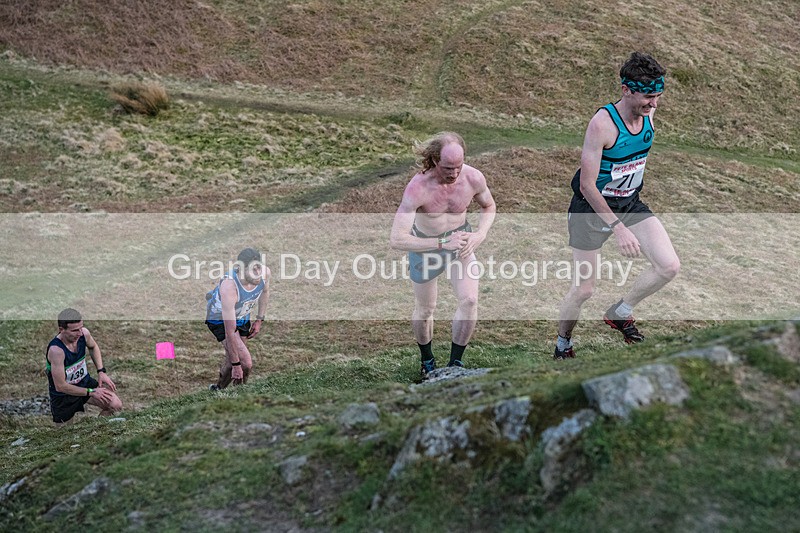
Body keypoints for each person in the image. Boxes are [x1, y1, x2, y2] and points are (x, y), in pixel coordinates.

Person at [554, 52, 681, 359]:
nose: (653, 105)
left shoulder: (648, 113)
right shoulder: (602, 124)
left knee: (668, 266)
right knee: (584, 290)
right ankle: (562, 344)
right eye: (647, 97)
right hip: (591, 209)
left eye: (658, 97)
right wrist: (618, 228)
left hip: (629, 202)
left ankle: (620, 312)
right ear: (626, 90)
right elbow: (587, 184)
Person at [390, 132, 496, 377]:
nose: (454, 173)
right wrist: (440, 243)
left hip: (460, 244)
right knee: (426, 308)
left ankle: (455, 364)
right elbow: (397, 239)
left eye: (458, 166)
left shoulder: (473, 177)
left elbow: (489, 205)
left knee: (469, 300)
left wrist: (480, 234)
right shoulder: (418, 187)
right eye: (448, 167)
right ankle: (427, 360)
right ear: (435, 160)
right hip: (427, 248)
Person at [205, 247, 270, 389]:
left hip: (242, 316)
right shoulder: (229, 287)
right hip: (220, 319)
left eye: (258, 267)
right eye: (253, 269)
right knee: (244, 363)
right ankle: (239, 395)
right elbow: (230, 331)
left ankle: (218, 390)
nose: (258, 272)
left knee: (232, 359)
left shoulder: (264, 273)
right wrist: (236, 365)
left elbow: (265, 291)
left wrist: (259, 320)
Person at [45, 308, 122, 424]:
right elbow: (60, 386)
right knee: (65, 435)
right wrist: (91, 392)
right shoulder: (57, 351)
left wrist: (101, 371)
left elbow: (93, 347)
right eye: (75, 330)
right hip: (64, 395)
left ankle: (96, 431)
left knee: (115, 405)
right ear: (61, 330)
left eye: (81, 328)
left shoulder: (84, 334)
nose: (80, 333)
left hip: (84, 383)